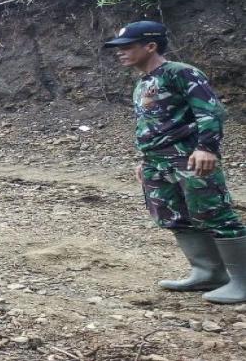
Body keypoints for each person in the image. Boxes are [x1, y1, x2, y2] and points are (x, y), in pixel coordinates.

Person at [104, 21, 246, 304]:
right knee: (174, 216)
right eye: (118, 48)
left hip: (190, 158)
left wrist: (207, 148)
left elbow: (210, 112)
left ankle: (243, 281)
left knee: (214, 214)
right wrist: (146, 160)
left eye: (127, 47)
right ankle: (208, 272)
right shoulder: (144, 82)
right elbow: (153, 125)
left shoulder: (180, 73)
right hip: (158, 162)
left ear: (151, 46)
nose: (119, 53)